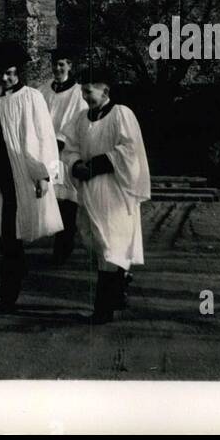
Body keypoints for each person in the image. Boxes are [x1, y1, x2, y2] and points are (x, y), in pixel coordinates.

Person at [0, 40, 62, 311]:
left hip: (18, 173)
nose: (5, 78)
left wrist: (45, 174)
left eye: (11, 73)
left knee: (11, 230)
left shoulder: (31, 98)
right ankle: (17, 265)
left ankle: (8, 290)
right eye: (2, 72)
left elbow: (44, 138)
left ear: (19, 73)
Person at [64, 80, 151, 324]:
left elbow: (130, 150)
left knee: (110, 244)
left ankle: (103, 311)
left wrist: (96, 164)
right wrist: (75, 164)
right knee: (96, 242)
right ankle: (119, 285)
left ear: (105, 91)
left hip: (114, 188)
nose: (85, 96)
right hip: (90, 189)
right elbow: (70, 147)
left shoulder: (121, 114)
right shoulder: (82, 118)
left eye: (89, 91)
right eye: (83, 91)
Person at [37, 54, 88, 265]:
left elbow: (78, 120)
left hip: (65, 152)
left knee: (67, 201)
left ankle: (63, 247)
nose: (57, 68)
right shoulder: (42, 90)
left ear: (69, 66)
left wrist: (60, 140)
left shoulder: (78, 93)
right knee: (49, 199)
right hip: (44, 151)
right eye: (55, 64)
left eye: (61, 64)